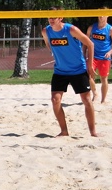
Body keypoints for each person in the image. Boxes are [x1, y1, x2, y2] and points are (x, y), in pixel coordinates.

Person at [42, 9, 98, 137]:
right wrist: (56, 54)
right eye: (49, 17)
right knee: (55, 100)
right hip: (60, 70)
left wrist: (89, 65)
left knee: (86, 99)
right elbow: (48, 44)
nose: (51, 20)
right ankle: (64, 131)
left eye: (54, 17)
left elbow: (90, 44)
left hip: (78, 69)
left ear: (60, 17)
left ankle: (93, 132)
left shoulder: (71, 29)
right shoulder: (46, 31)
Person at [86, 9, 112, 104]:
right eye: (99, 14)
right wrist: (84, 53)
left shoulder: (111, 30)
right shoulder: (91, 28)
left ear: (107, 16)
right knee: (89, 76)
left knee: (104, 78)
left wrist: (110, 52)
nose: (101, 16)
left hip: (105, 57)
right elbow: (85, 41)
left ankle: (103, 100)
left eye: (103, 14)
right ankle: (95, 94)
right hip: (93, 56)